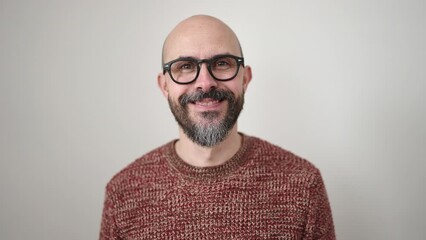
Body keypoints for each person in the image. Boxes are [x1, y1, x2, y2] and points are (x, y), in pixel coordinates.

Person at [99, 15, 335, 239]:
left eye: (221, 63)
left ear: (245, 79)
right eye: (185, 66)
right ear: (164, 86)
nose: (205, 83)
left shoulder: (303, 184)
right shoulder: (123, 193)